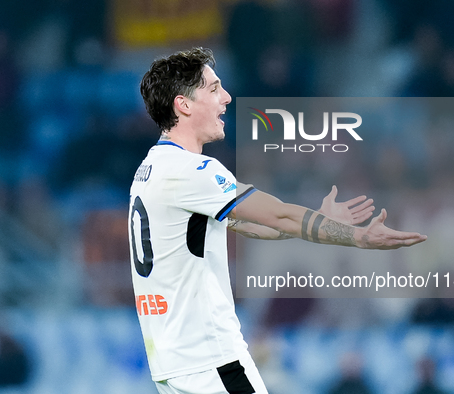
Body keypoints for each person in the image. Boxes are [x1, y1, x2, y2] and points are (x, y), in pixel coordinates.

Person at [130, 47, 427, 394]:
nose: (226, 98)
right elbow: (280, 214)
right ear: (184, 105)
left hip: (174, 362)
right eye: (213, 89)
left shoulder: (150, 170)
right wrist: (357, 238)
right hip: (210, 359)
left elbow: (252, 225)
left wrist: (316, 220)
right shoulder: (193, 171)